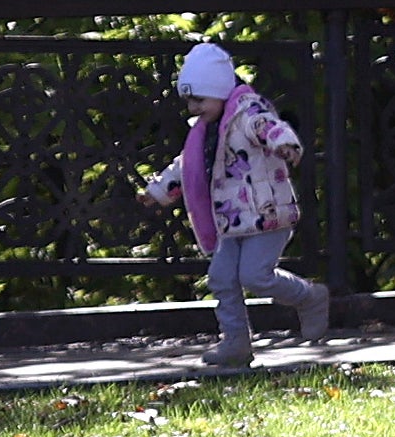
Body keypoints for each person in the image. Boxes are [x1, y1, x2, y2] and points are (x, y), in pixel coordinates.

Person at [141, 42, 331, 369]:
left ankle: (310, 297)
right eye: (188, 100)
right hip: (230, 221)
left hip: (267, 214)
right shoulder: (203, 132)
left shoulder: (246, 113)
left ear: (218, 91)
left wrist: (283, 142)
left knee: (255, 276)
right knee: (221, 277)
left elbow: (268, 126)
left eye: (198, 99)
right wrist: (157, 191)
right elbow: (186, 167)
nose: (192, 108)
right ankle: (236, 342)